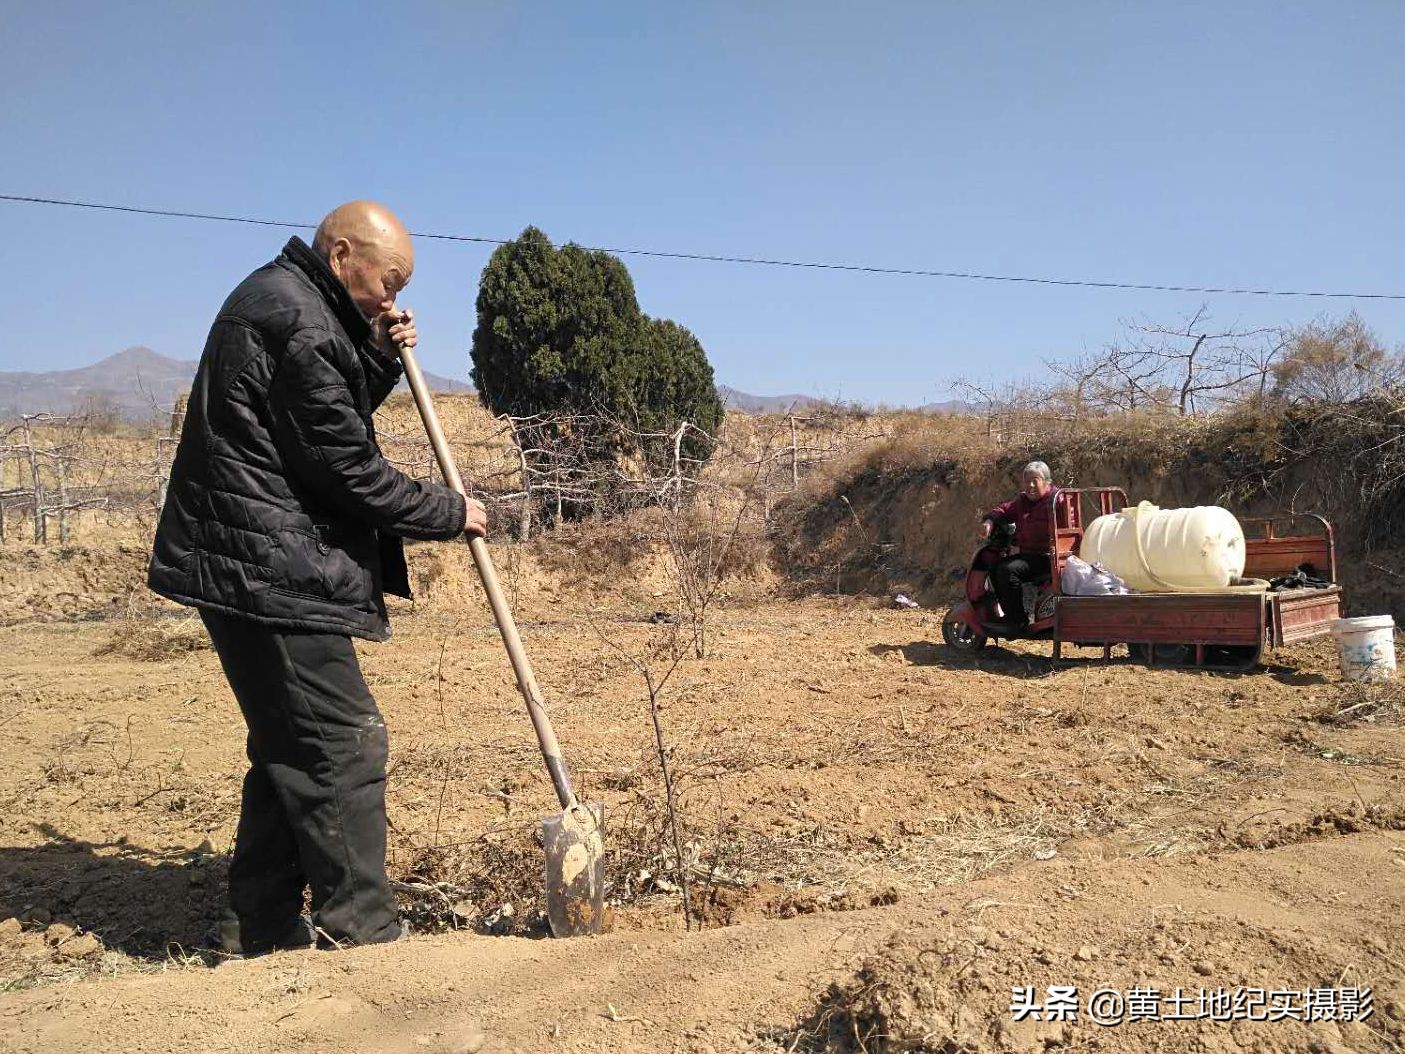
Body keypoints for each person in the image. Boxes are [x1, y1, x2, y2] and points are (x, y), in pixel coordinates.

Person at [147, 201, 489, 955]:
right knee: (342, 740)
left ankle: (257, 930)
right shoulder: (297, 318)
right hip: (267, 565)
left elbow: (314, 412)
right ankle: (361, 932)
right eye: (385, 281)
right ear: (341, 256)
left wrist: (372, 354)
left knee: (291, 744)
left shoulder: (293, 305)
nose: (391, 297)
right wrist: (447, 511)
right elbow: (343, 466)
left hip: (256, 559)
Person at [978, 461, 1063, 636]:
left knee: (1006, 570)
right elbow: (1003, 509)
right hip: (1030, 556)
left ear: (1047, 482)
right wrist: (989, 521)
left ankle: (1016, 620)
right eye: (1026, 481)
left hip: (1049, 557)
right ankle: (1013, 616)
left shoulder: (1057, 500)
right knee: (996, 568)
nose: (1030, 485)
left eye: (1035, 480)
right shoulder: (1023, 501)